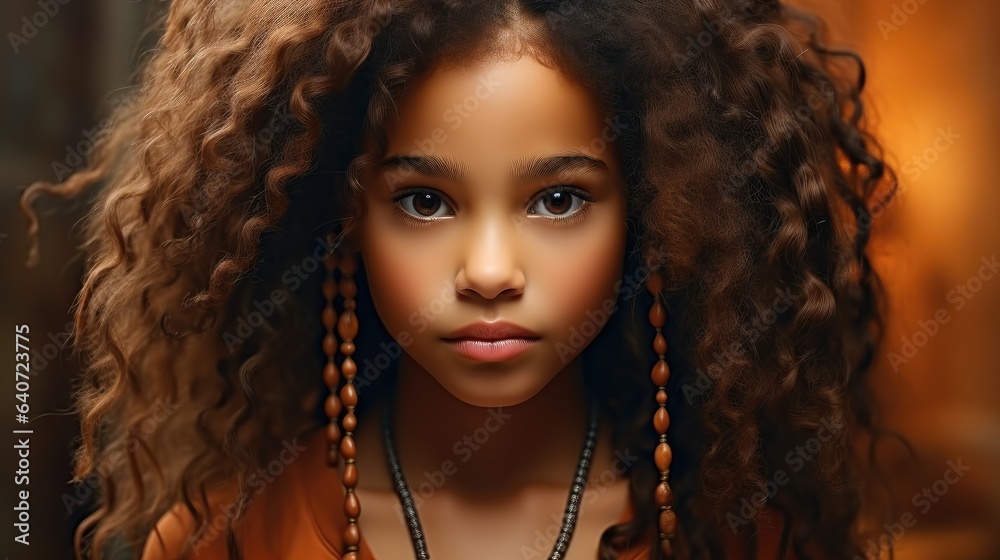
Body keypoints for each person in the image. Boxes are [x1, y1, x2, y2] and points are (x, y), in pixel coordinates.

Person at [19, 0, 900, 558]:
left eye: (557, 199)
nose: (486, 272)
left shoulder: (749, 539)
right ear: (342, 220)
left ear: (658, 219)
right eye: (425, 202)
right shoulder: (230, 539)